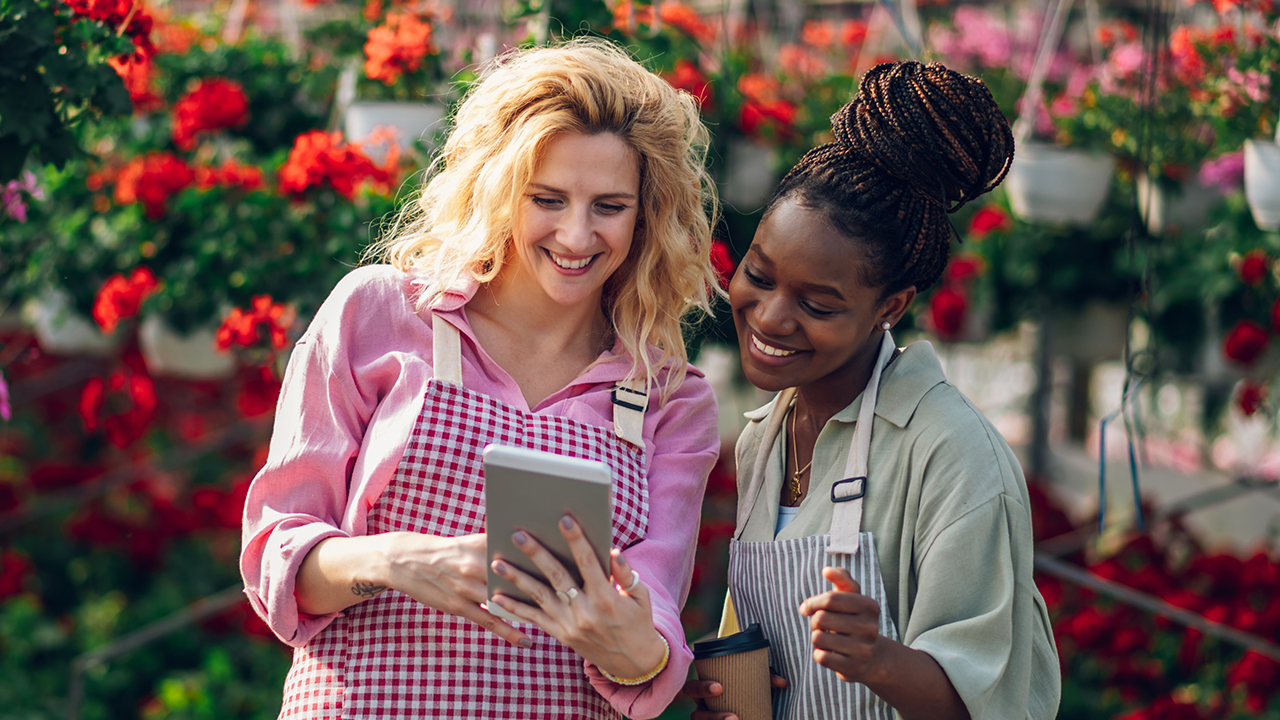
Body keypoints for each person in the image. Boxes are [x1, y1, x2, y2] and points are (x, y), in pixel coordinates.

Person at [239, 39, 723, 719]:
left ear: (648, 214)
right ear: (498, 188)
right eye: (547, 199)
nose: (577, 236)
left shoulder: (672, 402)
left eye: (609, 206)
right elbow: (275, 556)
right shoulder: (377, 314)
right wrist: (400, 560)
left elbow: (655, 633)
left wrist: (632, 645)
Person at [683, 61, 1061, 720]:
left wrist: (878, 660)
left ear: (891, 305)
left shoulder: (953, 455)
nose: (770, 317)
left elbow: (998, 699)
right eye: (761, 276)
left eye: (818, 304)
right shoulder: (765, 434)